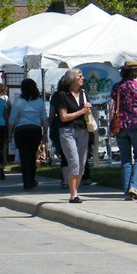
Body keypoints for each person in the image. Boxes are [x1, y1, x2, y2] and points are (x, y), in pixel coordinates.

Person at [109, 59, 137, 200]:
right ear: (135, 72)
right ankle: (135, 186)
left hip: (121, 125)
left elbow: (111, 108)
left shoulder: (117, 87)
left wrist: (111, 124)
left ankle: (127, 191)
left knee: (125, 159)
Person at [52, 69, 91, 203]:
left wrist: (87, 108)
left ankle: (75, 190)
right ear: (72, 79)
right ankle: (73, 194)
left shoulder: (83, 94)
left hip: (83, 130)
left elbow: (86, 112)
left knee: (82, 162)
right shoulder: (63, 95)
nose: (82, 78)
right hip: (68, 131)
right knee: (73, 161)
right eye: (80, 76)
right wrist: (82, 111)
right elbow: (63, 117)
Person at [8, 78, 47, 192]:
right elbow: (44, 118)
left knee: (24, 156)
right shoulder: (39, 101)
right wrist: (45, 133)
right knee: (32, 155)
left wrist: (10, 133)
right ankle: (32, 179)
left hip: (21, 130)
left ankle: (27, 182)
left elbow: (12, 118)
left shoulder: (18, 101)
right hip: (35, 130)